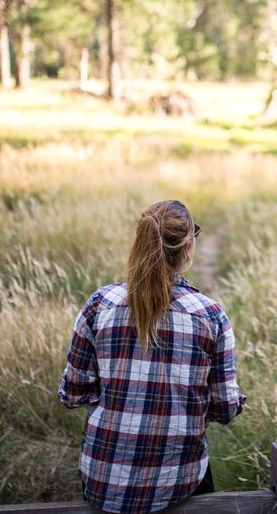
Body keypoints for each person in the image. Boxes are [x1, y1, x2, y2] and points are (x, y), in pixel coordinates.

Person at [59, 199, 245, 513]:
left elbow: (72, 395)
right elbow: (225, 409)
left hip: (104, 481)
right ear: (187, 249)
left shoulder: (99, 305)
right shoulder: (210, 316)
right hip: (178, 484)